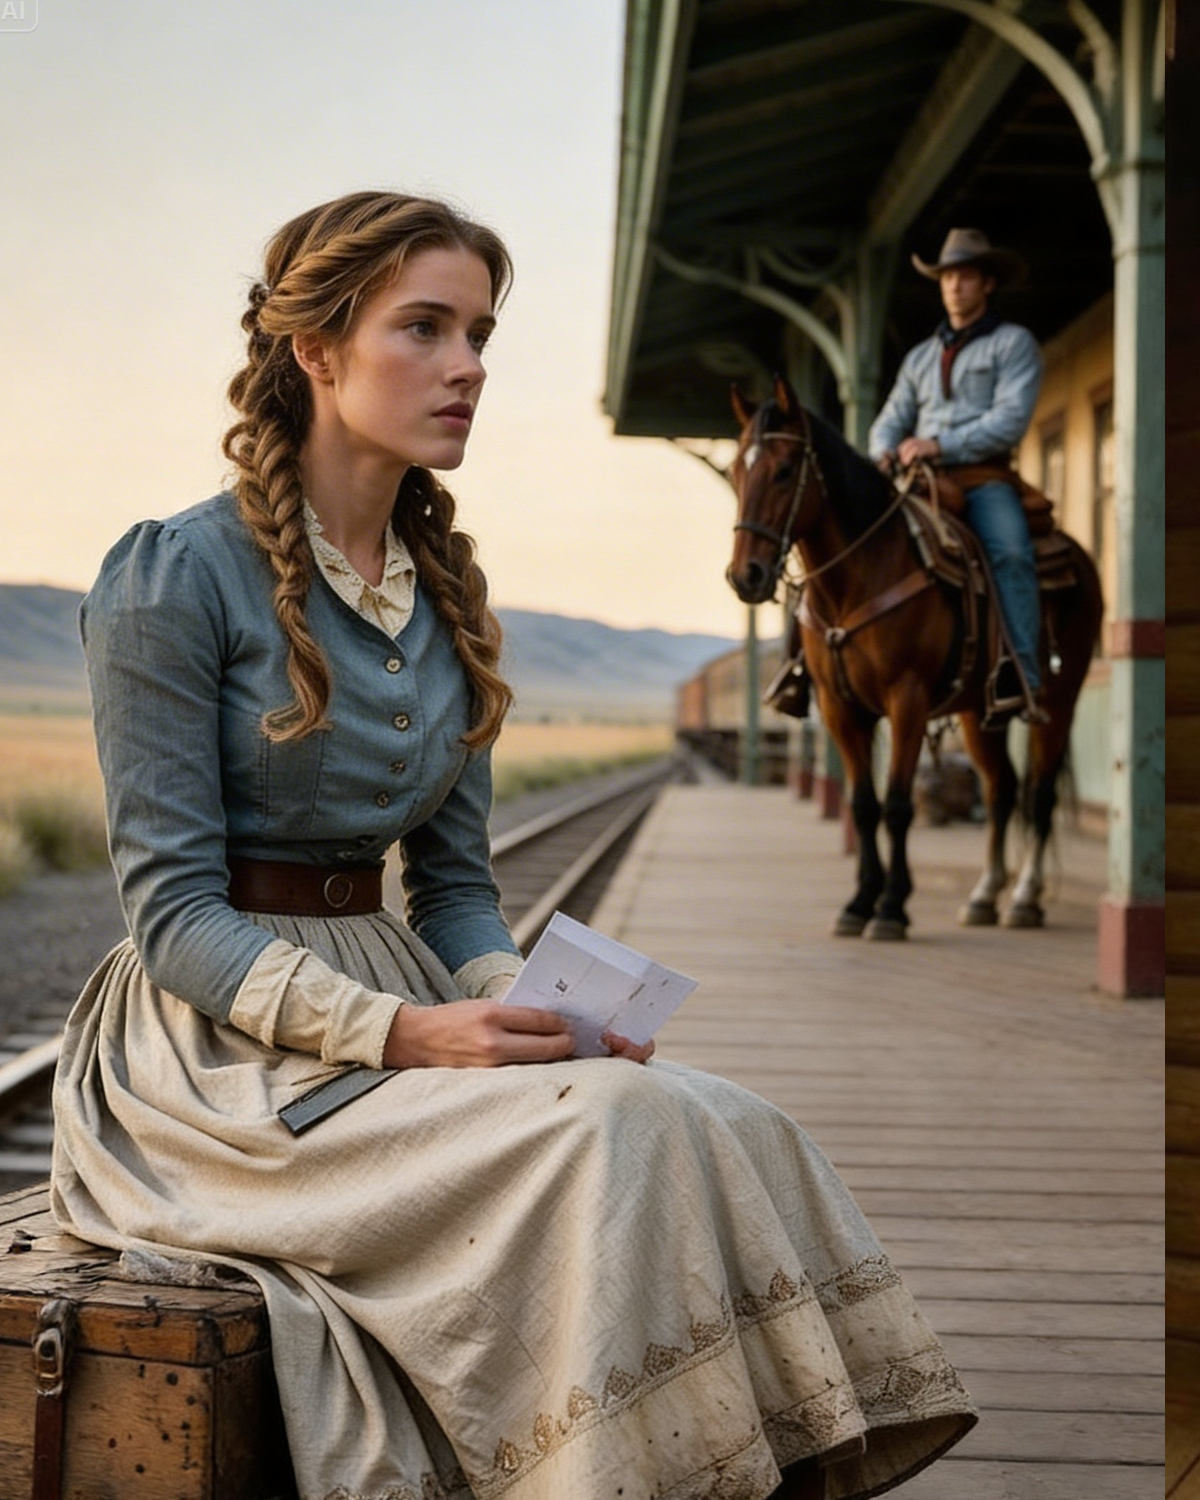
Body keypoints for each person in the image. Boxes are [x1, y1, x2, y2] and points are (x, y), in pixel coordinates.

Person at [52, 190, 976, 1500]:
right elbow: (175, 919)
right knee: (614, 1139)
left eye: (481, 332)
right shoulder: (172, 575)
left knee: (719, 1117)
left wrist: (525, 1006)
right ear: (315, 348)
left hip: (397, 998)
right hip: (217, 1061)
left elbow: (459, 890)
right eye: (423, 327)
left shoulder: (447, 596)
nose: (470, 365)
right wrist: (412, 1035)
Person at [868, 228, 1044, 715]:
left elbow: (1008, 421)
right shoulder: (920, 358)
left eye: (965, 276)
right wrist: (883, 450)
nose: (954, 286)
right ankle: (811, 670)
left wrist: (939, 445)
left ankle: (1024, 674)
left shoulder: (1013, 345)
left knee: (1010, 553)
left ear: (988, 283)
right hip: (916, 483)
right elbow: (889, 419)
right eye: (947, 276)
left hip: (982, 480)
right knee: (857, 542)